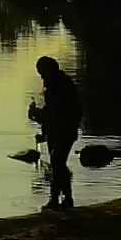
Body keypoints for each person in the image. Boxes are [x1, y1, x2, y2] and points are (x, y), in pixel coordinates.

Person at [28, 55, 83, 210]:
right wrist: (38, 115)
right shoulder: (53, 84)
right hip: (54, 130)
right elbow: (51, 110)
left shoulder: (64, 85)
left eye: (42, 72)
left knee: (58, 162)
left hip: (65, 130)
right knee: (58, 164)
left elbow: (64, 109)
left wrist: (42, 115)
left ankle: (58, 199)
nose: (41, 76)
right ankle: (64, 199)